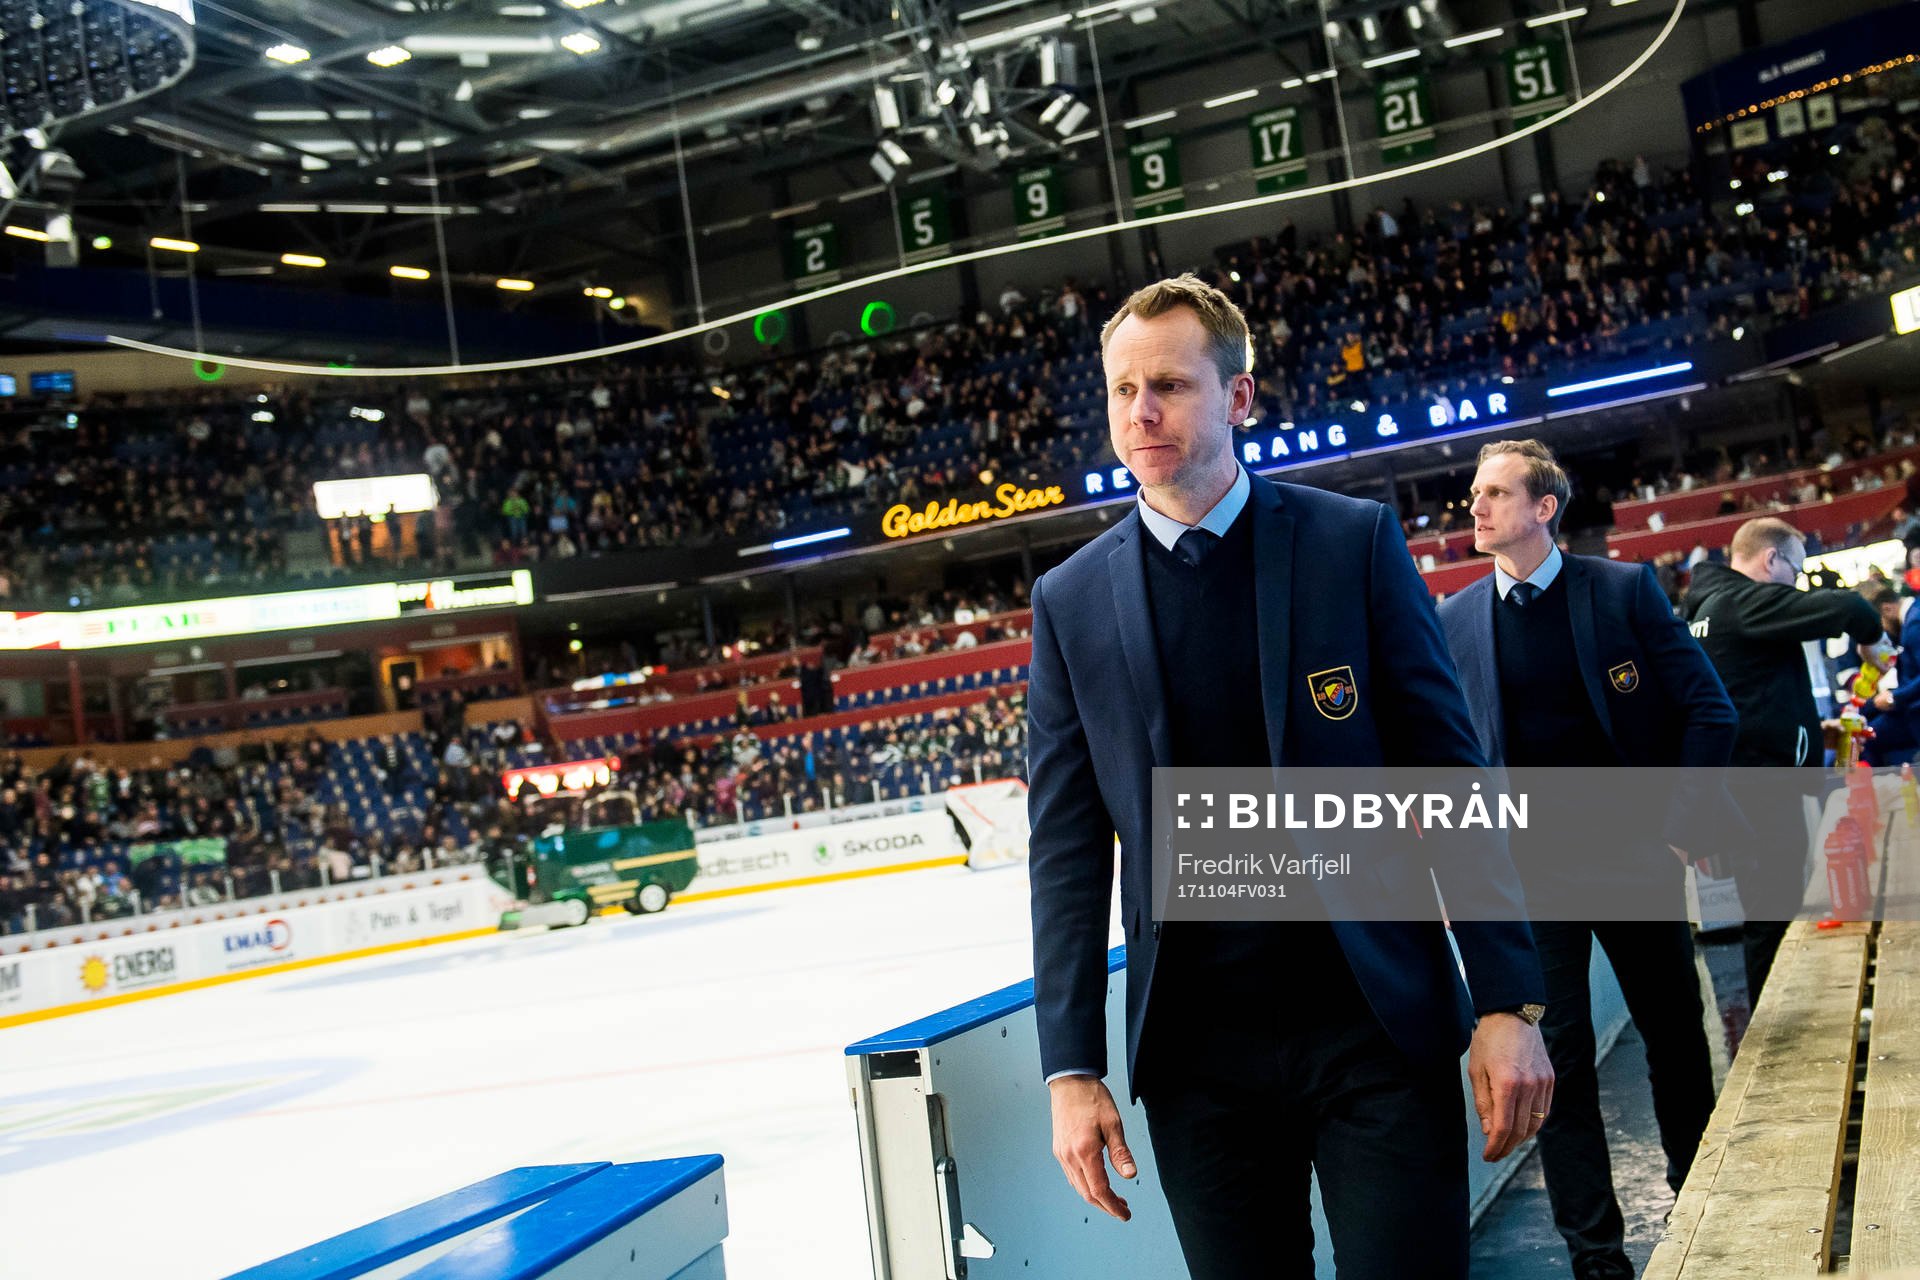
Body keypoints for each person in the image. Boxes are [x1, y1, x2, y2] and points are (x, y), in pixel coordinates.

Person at [1028, 274, 1551, 1280]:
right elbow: (1065, 848)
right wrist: (1071, 1064)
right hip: (1196, 1057)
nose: (1142, 412)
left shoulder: (1349, 543)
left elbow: (1450, 773)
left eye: (1172, 384)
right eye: (1122, 389)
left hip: (1374, 1026)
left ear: (1239, 397)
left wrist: (1507, 1001)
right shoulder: (1071, 599)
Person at [1437, 438, 1732, 1280]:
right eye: (1475, 493)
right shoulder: (1455, 620)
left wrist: (1679, 828)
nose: (1478, 507)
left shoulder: (1623, 590)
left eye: (1496, 493)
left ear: (1544, 507)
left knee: (1676, 1040)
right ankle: (1596, 1258)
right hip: (1529, 879)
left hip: (1634, 860)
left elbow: (1708, 710)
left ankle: (1702, 1200)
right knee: (1555, 1067)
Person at [1682, 517, 1882, 1002]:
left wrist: (1814, 733)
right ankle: (1776, 1027)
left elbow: (1753, 696)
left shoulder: (1709, 607)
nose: (1796, 583)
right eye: (1795, 570)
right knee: (1772, 913)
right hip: (1762, 790)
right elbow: (1851, 606)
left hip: (1744, 784)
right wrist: (1872, 644)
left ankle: (1777, 1016)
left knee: (1770, 908)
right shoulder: (1741, 601)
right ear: (1772, 560)